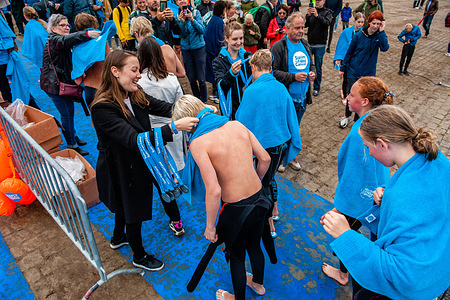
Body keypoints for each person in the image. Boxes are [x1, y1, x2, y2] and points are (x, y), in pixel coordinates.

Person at [322, 105, 450, 300]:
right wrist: (387, 193)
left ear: (382, 144)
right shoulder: (436, 159)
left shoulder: (403, 195)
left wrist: (345, 234)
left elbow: (403, 275)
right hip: (440, 269)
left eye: (367, 147)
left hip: (416, 288)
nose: (369, 154)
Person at [90, 50, 198, 271]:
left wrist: (196, 110)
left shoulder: (135, 94)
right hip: (119, 168)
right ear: (115, 72)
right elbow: (133, 140)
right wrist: (174, 127)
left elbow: (164, 107)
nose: (139, 75)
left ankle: (118, 237)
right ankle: (139, 256)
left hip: (137, 161)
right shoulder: (103, 107)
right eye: (134, 70)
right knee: (132, 212)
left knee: (124, 206)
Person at [172, 95, 272, 300]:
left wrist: (210, 227)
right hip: (260, 199)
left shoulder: (199, 142)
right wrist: (257, 182)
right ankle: (258, 285)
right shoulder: (236, 124)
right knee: (254, 245)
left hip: (237, 210)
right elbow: (265, 158)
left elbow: (214, 190)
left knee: (236, 256)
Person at [320, 76, 392, 290]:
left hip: (360, 196)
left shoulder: (361, 132)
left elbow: (354, 173)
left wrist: (341, 206)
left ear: (366, 101)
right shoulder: (379, 120)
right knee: (370, 234)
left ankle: (344, 274)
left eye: (352, 94)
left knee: (345, 235)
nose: (348, 97)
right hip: (378, 191)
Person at [236, 50, 301, 239]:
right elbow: (291, 117)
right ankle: (274, 211)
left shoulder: (251, 91)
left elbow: (242, 120)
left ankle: (268, 222)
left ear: (254, 67)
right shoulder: (281, 88)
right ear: (271, 68)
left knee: (260, 183)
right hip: (280, 146)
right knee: (270, 178)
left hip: (261, 149)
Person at [136, 36, 186, 236]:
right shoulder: (172, 79)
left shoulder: (138, 81)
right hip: (174, 128)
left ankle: (176, 220)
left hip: (151, 134)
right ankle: (177, 188)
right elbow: (181, 105)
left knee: (160, 175)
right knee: (174, 166)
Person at [40, 14, 99, 156]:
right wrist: (86, 34)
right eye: (63, 25)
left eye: (67, 25)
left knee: (69, 113)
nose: (67, 27)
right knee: (67, 114)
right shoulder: (55, 40)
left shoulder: (55, 40)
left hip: (56, 83)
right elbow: (67, 40)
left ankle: (72, 135)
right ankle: (71, 144)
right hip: (55, 87)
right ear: (53, 28)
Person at [271, 12, 316, 171]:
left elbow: (311, 64)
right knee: (283, 129)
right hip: (286, 98)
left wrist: (312, 74)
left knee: (294, 128)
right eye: (297, 28)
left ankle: (291, 156)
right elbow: (272, 72)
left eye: (302, 27)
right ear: (287, 29)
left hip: (302, 98)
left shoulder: (305, 44)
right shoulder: (278, 47)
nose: (301, 31)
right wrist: (293, 77)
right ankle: (280, 158)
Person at [338, 11, 388, 127]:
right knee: (351, 95)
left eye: (378, 24)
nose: (375, 26)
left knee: (363, 98)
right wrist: (343, 68)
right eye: (374, 23)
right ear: (369, 22)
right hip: (354, 71)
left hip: (368, 74)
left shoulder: (378, 36)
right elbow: (349, 53)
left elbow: (385, 47)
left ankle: (357, 120)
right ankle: (346, 116)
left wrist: (382, 31)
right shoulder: (359, 35)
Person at [212, 21, 252, 119]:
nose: (239, 42)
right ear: (226, 38)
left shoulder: (248, 57)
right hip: (231, 111)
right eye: (235, 39)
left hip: (248, 107)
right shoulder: (219, 61)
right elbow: (221, 87)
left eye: (241, 38)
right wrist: (231, 74)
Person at [73, 13, 112, 107]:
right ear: (94, 24)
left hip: (89, 88)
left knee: (95, 120)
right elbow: (111, 62)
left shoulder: (76, 46)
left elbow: (78, 78)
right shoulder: (101, 41)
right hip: (105, 87)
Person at [334, 12, 364, 129]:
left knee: (359, 91)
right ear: (354, 21)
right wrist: (339, 62)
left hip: (359, 66)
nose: (360, 24)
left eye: (362, 22)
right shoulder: (347, 32)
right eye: (358, 22)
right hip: (348, 64)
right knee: (347, 84)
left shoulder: (364, 34)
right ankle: (346, 112)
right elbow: (341, 46)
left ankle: (357, 118)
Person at [175, 0, 207, 102]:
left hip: (199, 48)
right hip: (186, 50)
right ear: (176, 2)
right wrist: (182, 22)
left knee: (201, 79)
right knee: (191, 78)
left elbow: (202, 30)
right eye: (179, 0)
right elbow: (182, 35)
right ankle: (197, 100)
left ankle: (204, 100)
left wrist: (192, 20)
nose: (181, 1)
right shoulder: (177, 17)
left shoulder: (195, 13)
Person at [305, 0, 332, 97]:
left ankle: (316, 87)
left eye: (319, 0)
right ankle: (307, 87)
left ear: (324, 1)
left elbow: (326, 23)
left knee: (317, 67)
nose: (317, 2)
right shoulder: (312, 11)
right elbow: (306, 25)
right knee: (307, 65)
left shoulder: (327, 12)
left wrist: (317, 16)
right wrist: (308, 16)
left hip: (320, 44)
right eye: (316, 0)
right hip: (310, 43)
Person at [203, 0, 226, 103]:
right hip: (214, 51)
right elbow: (219, 38)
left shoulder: (213, 19)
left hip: (209, 50)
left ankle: (215, 92)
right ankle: (217, 94)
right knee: (217, 72)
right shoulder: (219, 21)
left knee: (213, 72)